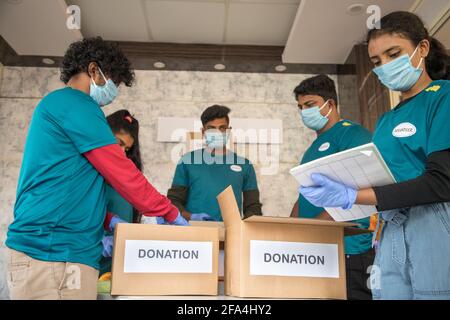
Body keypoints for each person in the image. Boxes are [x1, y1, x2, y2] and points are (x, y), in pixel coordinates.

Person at [5, 37, 188, 300]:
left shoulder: (59, 106)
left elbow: (70, 188)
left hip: (56, 254)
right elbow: (121, 171)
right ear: (93, 70)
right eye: (113, 80)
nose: (113, 91)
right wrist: (168, 211)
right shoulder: (77, 105)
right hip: (52, 256)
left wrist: (108, 220)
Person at [299, 11, 450, 300]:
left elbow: (442, 181)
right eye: (377, 62)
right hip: (389, 227)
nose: (386, 67)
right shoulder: (385, 121)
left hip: (433, 225)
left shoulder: (442, 97)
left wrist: (352, 195)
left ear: (423, 48)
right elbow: (385, 182)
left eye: (394, 54)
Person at [290, 75, 374, 300]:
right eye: (300, 107)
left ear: (331, 104)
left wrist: (314, 226)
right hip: (316, 251)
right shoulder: (312, 149)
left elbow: (357, 194)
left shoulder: (352, 134)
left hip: (348, 251)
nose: (304, 112)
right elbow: (303, 198)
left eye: (310, 105)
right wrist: (289, 230)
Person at [167, 105, 262, 222]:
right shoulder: (187, 161)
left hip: (231, 235)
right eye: (211, 128)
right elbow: (174, 201)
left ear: (229, 131)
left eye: (222, 128)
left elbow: (253, 207)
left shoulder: (245, 165)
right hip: (194, 232)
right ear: (203, 132)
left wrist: (241, 229)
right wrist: (190, 217)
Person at [99, 110, 143, 275]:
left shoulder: (125, 181)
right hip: (87, 264)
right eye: (119, 143)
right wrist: (99, 242)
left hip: (117, 269)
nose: (123, 151)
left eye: (127, 148)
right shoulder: (87, 174)